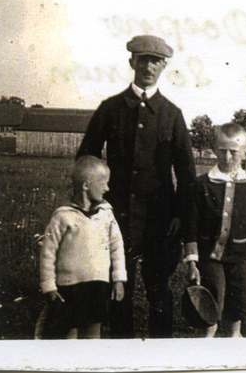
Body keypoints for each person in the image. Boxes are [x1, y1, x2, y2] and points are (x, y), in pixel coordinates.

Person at [76, 35, 197, 338]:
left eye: (155, 61)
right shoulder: (110, 109)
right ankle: (121, 355)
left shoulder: (172, 115)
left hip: (161, 222)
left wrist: (181, 218)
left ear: (164, 67)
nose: (148, 67)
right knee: (119, 290)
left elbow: (187, 175)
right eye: (143, 60)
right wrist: (92, 206)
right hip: (116, 219)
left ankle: (160, 357)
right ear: (132, 62)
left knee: (159, 293)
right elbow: (85, 160)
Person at [184, 123, 246, 337]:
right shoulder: (202, 185)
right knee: (211, 303)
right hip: (210, 257)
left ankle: (234, 341)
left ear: (245, 152)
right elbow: (191, 226)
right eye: (222, 150)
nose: (227, 157)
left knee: (237, 306)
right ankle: (207, 342)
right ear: (214, 149)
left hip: (242, 259)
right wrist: (192, 263)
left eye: (234, 151)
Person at [39, 156, 126, 339]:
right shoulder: (63, 217)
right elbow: (48, 253)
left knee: (93, 332)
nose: (107, 188)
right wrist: (49, 286)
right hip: (69, 286)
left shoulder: (106, 215)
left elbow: (117, 247)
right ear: (86, 185)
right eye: (103, 182)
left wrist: (118, 279)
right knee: (69, 332)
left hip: (98, 285)